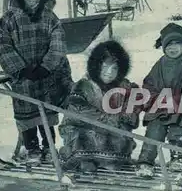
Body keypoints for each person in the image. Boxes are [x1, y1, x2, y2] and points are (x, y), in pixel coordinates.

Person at [0, 0, 73, 164]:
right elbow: (3, 46)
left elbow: (58, 44)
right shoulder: (9, 19)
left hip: (46, 76)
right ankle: (32, 149)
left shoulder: (50, 18)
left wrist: (46, 66)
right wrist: (20, 69)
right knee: (26, 114)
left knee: (46, 112)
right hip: (23, 78)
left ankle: (49, 147)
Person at [58, 41, 140, 173]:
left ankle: (104, 161)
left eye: (114, 68)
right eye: (105, 67)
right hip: (81, 127)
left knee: (121, 140)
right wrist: (110, 119)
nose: (109, 72)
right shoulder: (83, 86)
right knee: (87, 137)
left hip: (111, 130)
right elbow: (81, 113)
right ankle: (85, 160)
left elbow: (131, 116)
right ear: (97, 66)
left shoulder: (123, 87)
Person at [136, 23, 182, 178]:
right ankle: (146, 161)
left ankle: (178, 158)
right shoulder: (160, 64)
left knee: (178, 129)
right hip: (161, 106)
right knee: (154, 131)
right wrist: (154, 98)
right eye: (169, 44)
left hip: (181, 106)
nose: (173, 48)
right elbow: (149, 84)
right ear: (163, 47)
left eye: (177, 43)